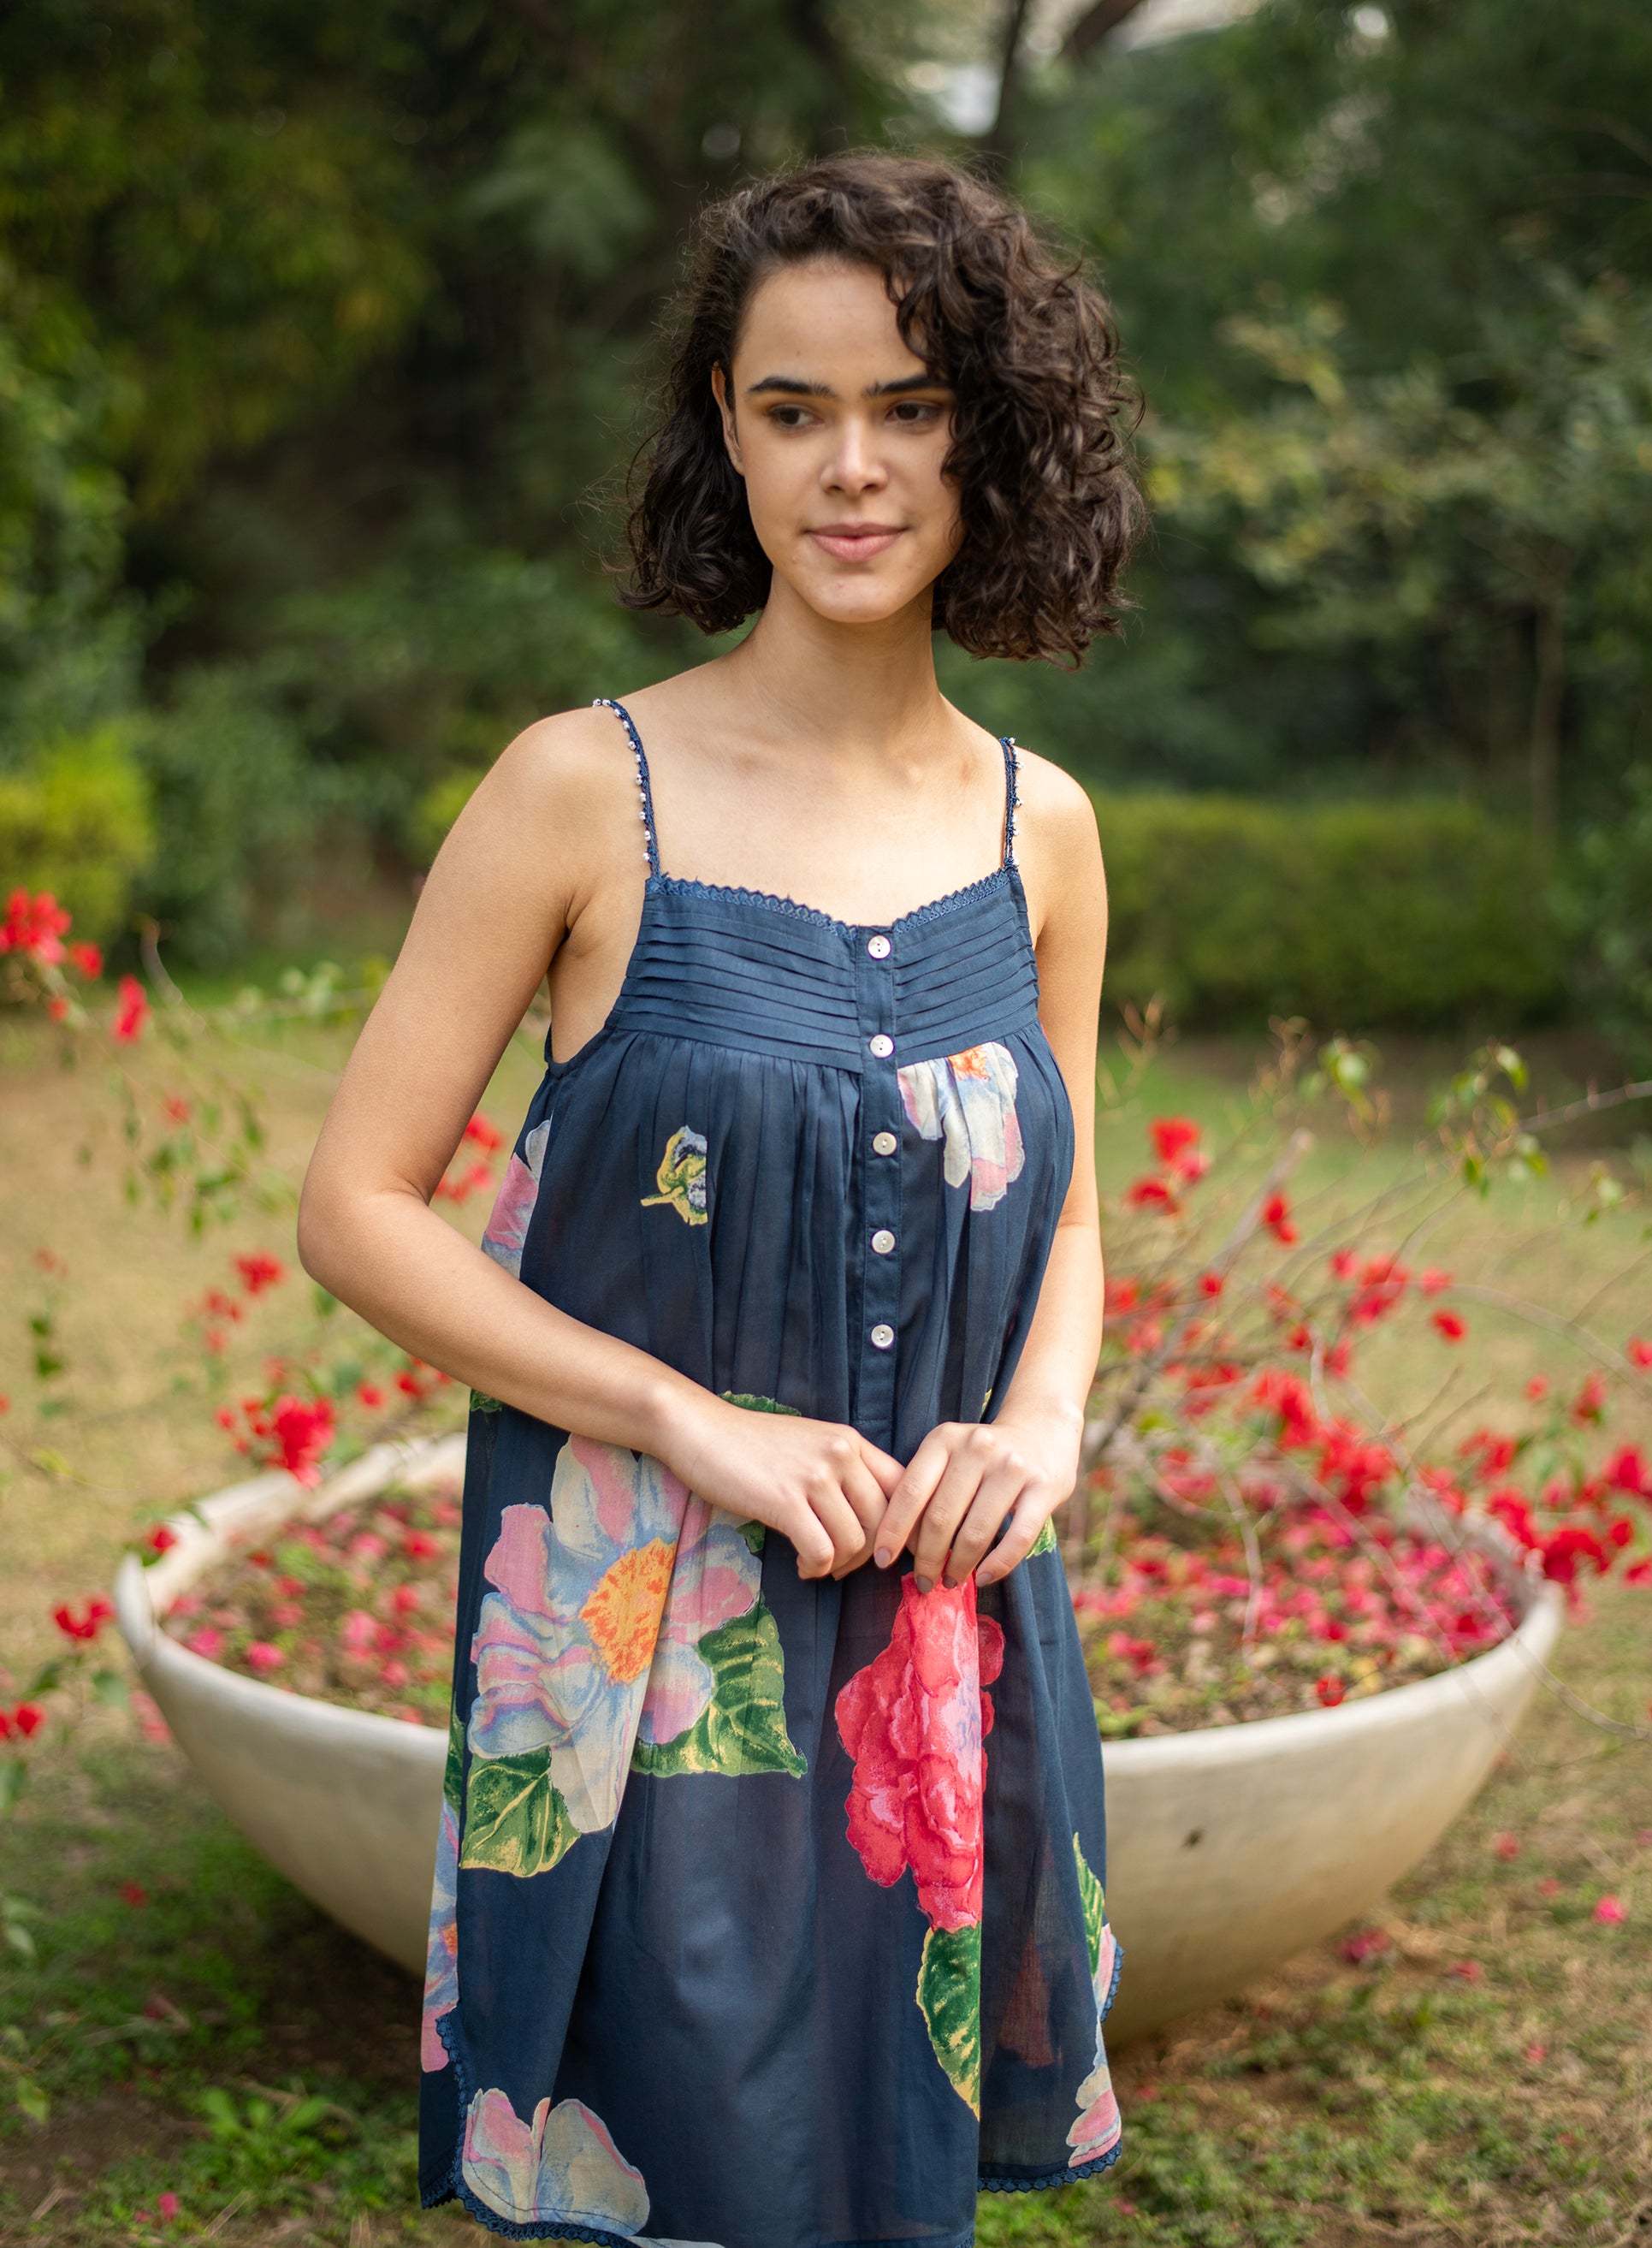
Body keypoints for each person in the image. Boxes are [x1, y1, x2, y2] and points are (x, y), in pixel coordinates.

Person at [299, 149, 1141, 2248]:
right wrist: (687, 1419)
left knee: (891, 2182)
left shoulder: (1043, 829)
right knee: (688, 2177)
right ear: (726, 434)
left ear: (989, 436)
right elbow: (357, 1205)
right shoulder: (582, 789)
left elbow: (1068, 1210)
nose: (851, 469)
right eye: (792, 409)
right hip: (642, 1656)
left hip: (946, 1640)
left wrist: (1040, 1429)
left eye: (909, 407)